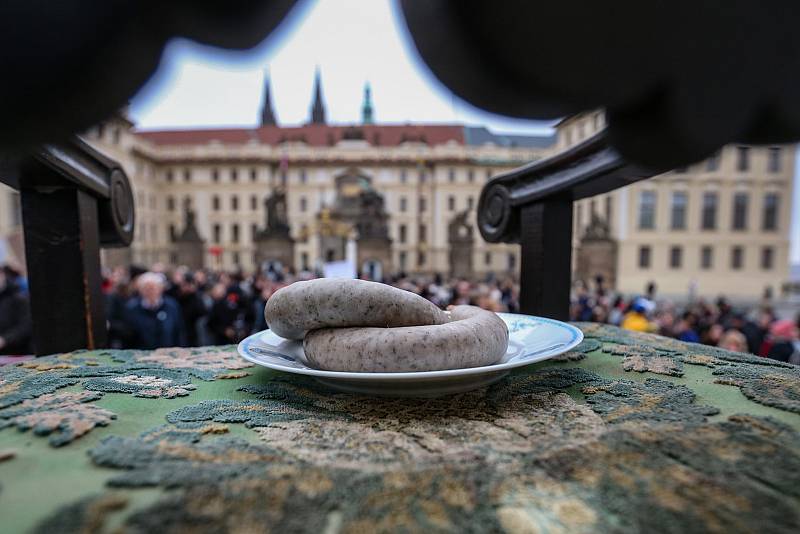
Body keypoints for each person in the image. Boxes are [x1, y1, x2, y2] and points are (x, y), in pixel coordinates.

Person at [124, 272, 185, 349]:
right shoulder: (132, 308)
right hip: (141, 354)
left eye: (153, 288)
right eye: (147, 288)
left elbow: (178, 331)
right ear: (141, 290)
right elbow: (128, 335)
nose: (150, 291)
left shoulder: (172, 305)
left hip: (168, 354)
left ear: (161, 288)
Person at [0, 268, 32, 354]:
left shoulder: (19, 298)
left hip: (19, 353)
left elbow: (26, 326)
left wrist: (5, 339)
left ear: (3, 275)